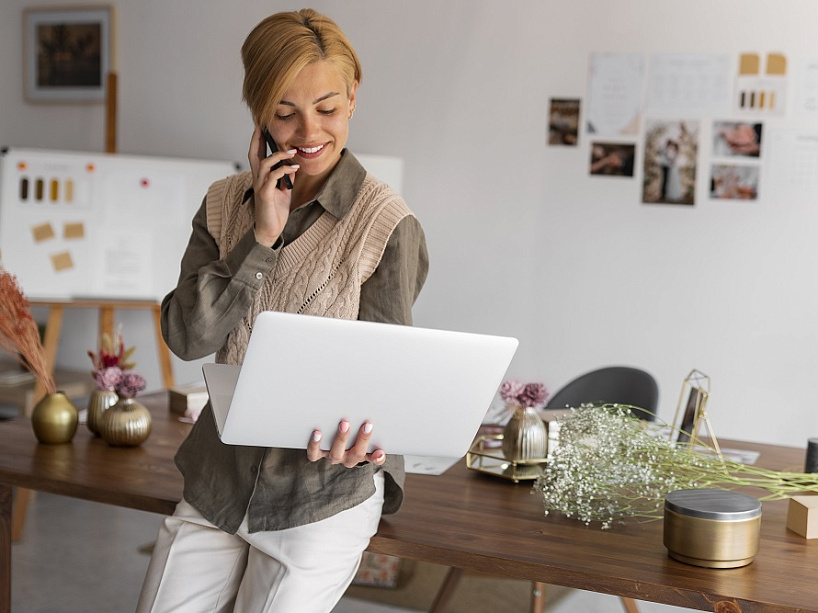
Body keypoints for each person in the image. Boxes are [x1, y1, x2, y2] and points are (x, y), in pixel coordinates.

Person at [136, 9, 428, 612]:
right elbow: (187, 339)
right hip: (219, 477)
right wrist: (260, 239)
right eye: (284, 112)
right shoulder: (224, 205)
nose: (307, 132)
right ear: (257, 110)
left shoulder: (387, 226)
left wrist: (366, 436)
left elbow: (381, 374)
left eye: (327, 108)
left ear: (353, 96)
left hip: (320, 489)